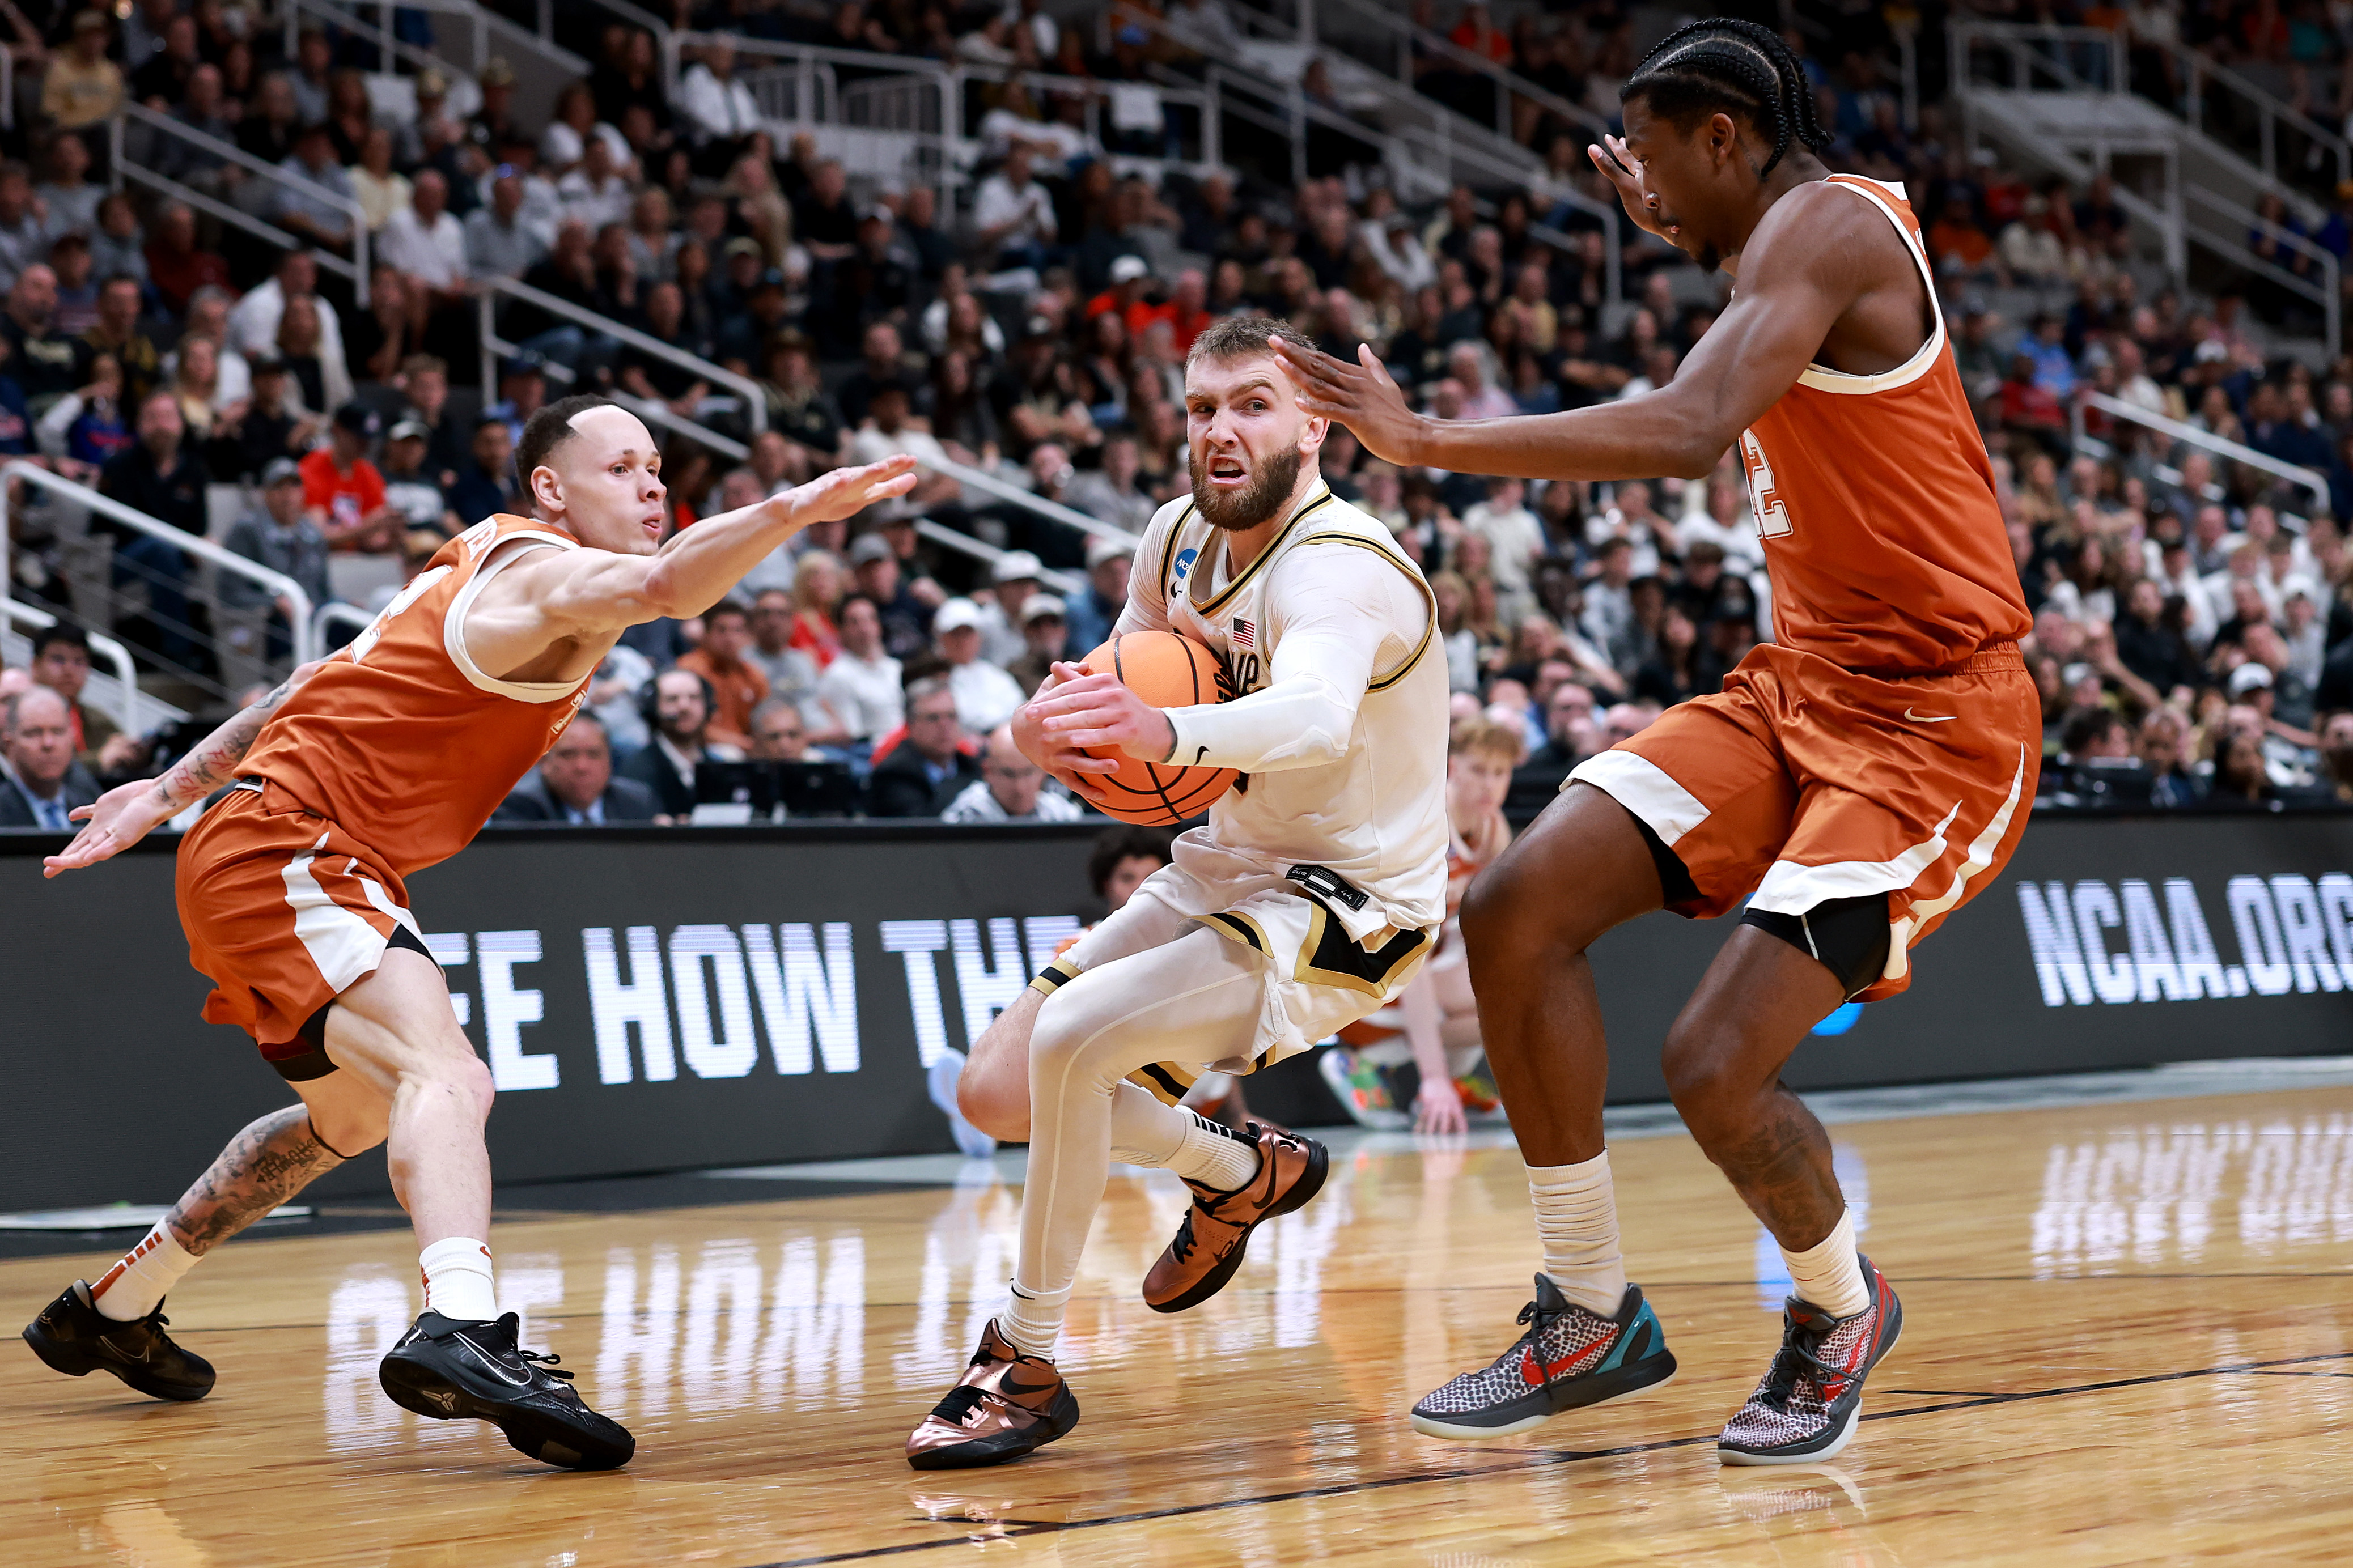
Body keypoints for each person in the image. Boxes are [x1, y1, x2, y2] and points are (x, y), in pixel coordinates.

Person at [1274, 19, 2037, 1465]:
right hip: (1802, 686)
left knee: (1711, 1063)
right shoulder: (1779, 251)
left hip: (1936, 727)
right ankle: (1586, 1305)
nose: (1646, 193)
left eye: (1662, 159)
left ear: (1729, 137)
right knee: (1511, 907)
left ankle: (1834, 1309)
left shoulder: (1832, 225)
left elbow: (1691, 428)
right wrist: (1699, 228)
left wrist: (1429, 441)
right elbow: (1725, 325)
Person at [26, 392, 912, 1471]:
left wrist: (164, 789)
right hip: (295, 847)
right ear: (550, 486)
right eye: (624, 466)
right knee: (450, 1075)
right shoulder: (540, 571)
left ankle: (115, 1306)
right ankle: (465, 1324)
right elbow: (668, 583)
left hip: (284, 844)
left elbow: (312, 684)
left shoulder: (467, 561)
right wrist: (792, 507)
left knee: (348, 1116)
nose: (652, 486)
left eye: (659, 469)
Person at [907, 316, 1447, 1469]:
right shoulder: (1172, 538)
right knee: (995, 1089)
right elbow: (1118, 691)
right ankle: (1243, 1170)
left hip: (1349, 900)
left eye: (1251, 404)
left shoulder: (1339, 566)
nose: (1219, 431)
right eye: (1202, 408)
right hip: (1225, 865)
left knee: (1073, 1037)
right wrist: (1047, 731)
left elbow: (1307, 717)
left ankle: (1026, 1359)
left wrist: (1162, 727)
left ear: (1316, 423)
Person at [1322, 716, 1521, 1134]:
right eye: (1478, 770)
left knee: (1511, 988)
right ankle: (1366, 1062)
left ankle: (1450, 1074)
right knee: (1466, 978)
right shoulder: (1428, 825)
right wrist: (1430, 1078)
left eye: (1500, 772)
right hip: (1368, 963)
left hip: (1424, 961)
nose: (1490, 784)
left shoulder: (1492, 827)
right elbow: (1405, 950)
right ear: (1452, 768)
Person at [220, 458, 333, 660]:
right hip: (271, 625)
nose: (288, 496)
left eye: (294, 487)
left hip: (314, 619)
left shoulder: (312, 534)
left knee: (346, 620)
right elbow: (230, 592)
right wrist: (275, 603)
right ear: (266, 493)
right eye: (279, 487)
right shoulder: (247, 530)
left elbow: (325, 591)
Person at [493, 713, 659, 823]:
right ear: (543, 761)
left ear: (609, 760)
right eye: (568, 754)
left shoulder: (637, 801)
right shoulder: (519, 805)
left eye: (594, 754)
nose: (582, 767)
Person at [619, 666, 732, 819]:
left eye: (694, 697)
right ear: (653, 707)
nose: (684, 706)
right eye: (672, 699)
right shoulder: (636, 772)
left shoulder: (716, 766)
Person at [27, 622, 137, 771]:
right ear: (35, 665)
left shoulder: (98, 719)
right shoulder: (20, 715)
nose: (69, 670)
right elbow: (37, 768)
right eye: (58, 660)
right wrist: (98, 760)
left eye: (79, 661)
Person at [867, 674, 980, 817]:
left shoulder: (971, 766)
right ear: (911, 724)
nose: (945, 726)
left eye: (951, 716)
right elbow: (922, 828)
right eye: (933, 718)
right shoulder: (894, 774)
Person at [0, 685, 104, 828]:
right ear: (9, 744)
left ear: (72, 737)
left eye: (58, 731)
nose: (48, 744)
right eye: (34, 733)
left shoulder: (92, 803)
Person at [940, 723, 1086, 823]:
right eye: (1009, 774)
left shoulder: (1061, 815)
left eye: (1028, 773)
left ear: (1043, 770)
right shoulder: (963, 818)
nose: (1020, 788)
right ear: (987, 771)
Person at [675, 597, 769, 751]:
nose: (730, 638)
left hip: (746, 749)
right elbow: (685, 725)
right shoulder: (689, 671)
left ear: (748, 636)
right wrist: (744, 744)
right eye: (722, 630)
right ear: (706, 633)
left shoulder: (753, 675)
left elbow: (765, 720)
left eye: (738, 630)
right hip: (700, 749)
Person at [813, 591, 903, 746]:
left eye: (871, 619)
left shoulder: (896, 668)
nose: (864, 628)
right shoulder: (837, 675)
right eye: (855, 622)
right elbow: (854, 736)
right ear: (840, 630)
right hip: (872, 754)